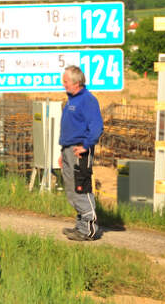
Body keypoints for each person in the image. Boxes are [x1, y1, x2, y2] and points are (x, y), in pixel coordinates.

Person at [59, 65, 103, 241]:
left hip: (80, 150)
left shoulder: (87, 100)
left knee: (81, 187)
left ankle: (89, 228)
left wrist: (86, 145)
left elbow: (97, 126)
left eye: (66, 81)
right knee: (71, 189)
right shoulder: (72, 99)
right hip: (69, 149)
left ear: (76, 83)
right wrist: (63, 153)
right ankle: (80, 226)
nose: (63, 84)